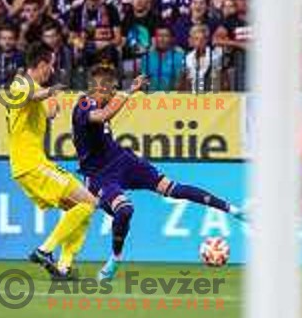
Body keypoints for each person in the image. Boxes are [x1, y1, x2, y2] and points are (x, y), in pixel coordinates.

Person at [71, 65, 245, 281]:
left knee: (172, 188)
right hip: (99, 175)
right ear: (101, 88)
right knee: (124, 211)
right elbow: (104, 115)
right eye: (112, 89)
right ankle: (115, 258)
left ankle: (232, 209)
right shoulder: (83, 104)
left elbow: (107, 112)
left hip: (121, 160)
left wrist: (131, 90)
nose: (115, 93)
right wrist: (128, 93)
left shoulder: (101, 101)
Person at [5, 42, 97, 277]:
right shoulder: (21, 83)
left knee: (82, 208)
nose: (53, 70)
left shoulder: (35, 87)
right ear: (42, 64)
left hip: (33, 164)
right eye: (51, 65)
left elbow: (50, 112)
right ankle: (45, 250)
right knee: (88, 203)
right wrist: (47, 92)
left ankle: (64, 267)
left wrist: (51, 96)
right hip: (31, 164)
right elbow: (28, 97)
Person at [141, 25, 184, 91]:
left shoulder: (179, 57)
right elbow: (144, 82)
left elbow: (179, 82)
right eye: (159, 36)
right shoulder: (146, 58)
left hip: (173, 96)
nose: (162, 39)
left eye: (166, 36)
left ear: (172, 39)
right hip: (151, 97)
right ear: (155, 39)